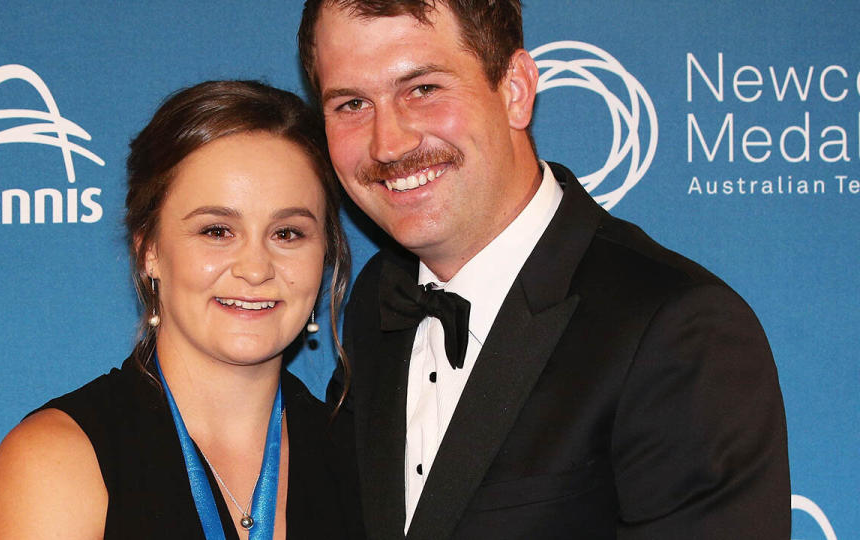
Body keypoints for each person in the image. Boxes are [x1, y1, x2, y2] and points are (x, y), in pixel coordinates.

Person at [298, 1, 791, 539]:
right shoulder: (377, 302)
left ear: (515, 89)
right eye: (350, 104)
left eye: (423, 89)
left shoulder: (678, 331)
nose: (388, 142)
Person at [0, 81, 363, 540]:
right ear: (149, 251)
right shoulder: (58, 459)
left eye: (287, 233)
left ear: (326, 253)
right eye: (217, 231)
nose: (256, 269)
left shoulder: (363, 462)